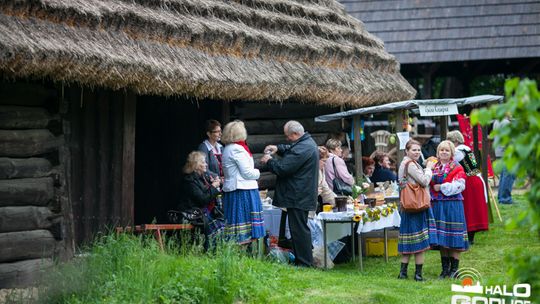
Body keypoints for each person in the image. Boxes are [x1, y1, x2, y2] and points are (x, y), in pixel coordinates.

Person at [260, 121, 319, 267]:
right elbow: (291, 149)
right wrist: (278, 148)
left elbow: (283, 168)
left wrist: (269, 161)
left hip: (299, 195)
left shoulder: (304, 147)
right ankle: (303, 261)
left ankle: (305, 263)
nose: (287, 139)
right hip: (300, 194)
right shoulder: (305, 143)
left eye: (288, 136)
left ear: (295, 134)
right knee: (299, 229)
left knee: (299, 230)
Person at [397, 139, 437, 281]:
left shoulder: (406, 163)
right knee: (420, 242)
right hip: (416, 205)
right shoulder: (410, 165)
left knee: (408, 241)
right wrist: (429, 169)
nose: (417, 152)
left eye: (419, 150)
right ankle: (418, 275)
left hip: (408, 206)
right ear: (407, 151)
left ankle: (402, 273)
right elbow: (424, 181)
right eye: (414, 150)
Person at [220, 120, 265, 245]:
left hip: (237, 188)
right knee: (242, 228)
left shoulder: (229, 148)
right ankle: (241, 256)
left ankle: (240, 257)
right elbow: (247, 173)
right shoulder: (237, 149)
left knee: (239, 227)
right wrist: (258, 172)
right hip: (242, 190)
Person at [430, 140, 469, 279]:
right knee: (442, 238)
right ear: (438, 152)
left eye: (447, 150)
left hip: (453, 204)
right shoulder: (434, 167)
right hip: (438, 205)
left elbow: (460, 186)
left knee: (454, 236)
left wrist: (441, 187)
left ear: (452, 152)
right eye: (442, 150)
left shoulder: (457, 167)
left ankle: (454, 270)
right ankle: (444, 269)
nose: (444, 152)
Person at [447, 130, 489, 245]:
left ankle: (468, 238)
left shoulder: (458, 151)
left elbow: (449, 163)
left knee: (469, 209)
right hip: (474, 179)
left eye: (449, 142)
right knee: (472, 208)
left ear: (454, 141)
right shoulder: (466, 149)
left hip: (470, 182)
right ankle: (469, 237)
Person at [181, 151, 224, 249]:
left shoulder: (203, 177)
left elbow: (207, 194)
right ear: (196, 165)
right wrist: (213, 187)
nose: (206, 164)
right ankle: (210, 252)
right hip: (194, 213)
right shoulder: (189, 180)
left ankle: (217, 252)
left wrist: (213, 185)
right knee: (218, 227)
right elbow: (202, 199)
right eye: (203, 162)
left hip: (204, 212)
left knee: (222, 224)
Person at [493, 117, 515, 204]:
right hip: (507, 152)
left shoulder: (497, 121)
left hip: (499, 152)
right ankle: (505, 198)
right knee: (509, 176)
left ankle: (501, 197)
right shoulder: (506, 122)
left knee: (503, 176)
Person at [317, 146, 336, 212]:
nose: (325, 164)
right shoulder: (307, 171)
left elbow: (326, 190)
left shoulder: (321, 170)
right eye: (323, 161)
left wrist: (339, 200)